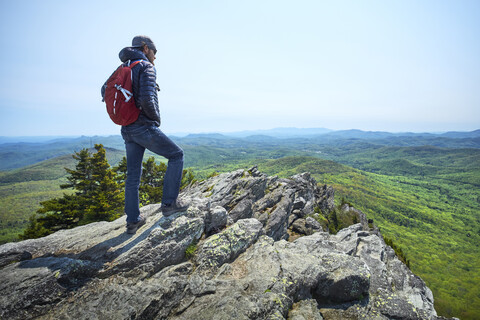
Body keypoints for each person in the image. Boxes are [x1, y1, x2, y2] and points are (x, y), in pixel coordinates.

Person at [102, 35, 188, 234]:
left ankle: (133, 220)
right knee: (176, 155)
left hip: (127, 128)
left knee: (133, 174)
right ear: (146, 48)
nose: (155, 59)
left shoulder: (122, 68)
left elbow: (104, 90)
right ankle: (169, 204)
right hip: (142, 126)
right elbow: (148, 98)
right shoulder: (145, 66)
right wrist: (155, 119)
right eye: (154, 53)